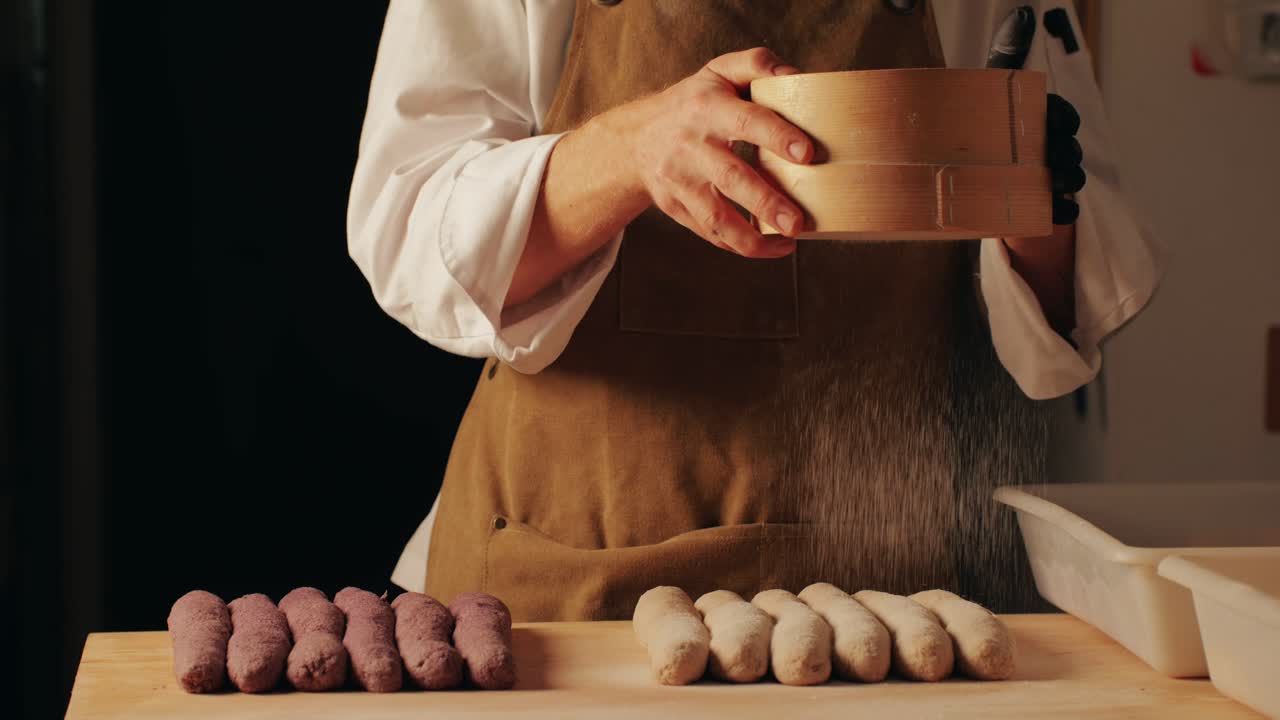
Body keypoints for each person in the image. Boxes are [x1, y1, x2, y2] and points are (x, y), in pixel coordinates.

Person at [348, 0, 1162, 620]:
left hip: (891, 600)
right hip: (560, 585)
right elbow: (409, 231)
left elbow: (1065, 320)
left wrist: (1036, 204)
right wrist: (630, 153)